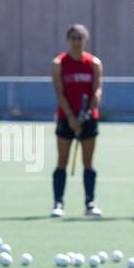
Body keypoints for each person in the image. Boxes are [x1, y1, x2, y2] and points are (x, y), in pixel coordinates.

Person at [50, 23, 104, 218]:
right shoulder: (59, 63)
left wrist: (87, 113)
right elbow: (59, 92)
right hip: (66, 119)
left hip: (88, 119)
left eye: (80, 38)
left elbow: (97, 91)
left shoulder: (94, 63)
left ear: (85, 41)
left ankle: (90, 202)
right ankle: (58, 203)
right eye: (73, 38)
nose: (76, 42)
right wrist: (72, 118)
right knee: (62, 161)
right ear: (68, 40)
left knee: (88, 162)